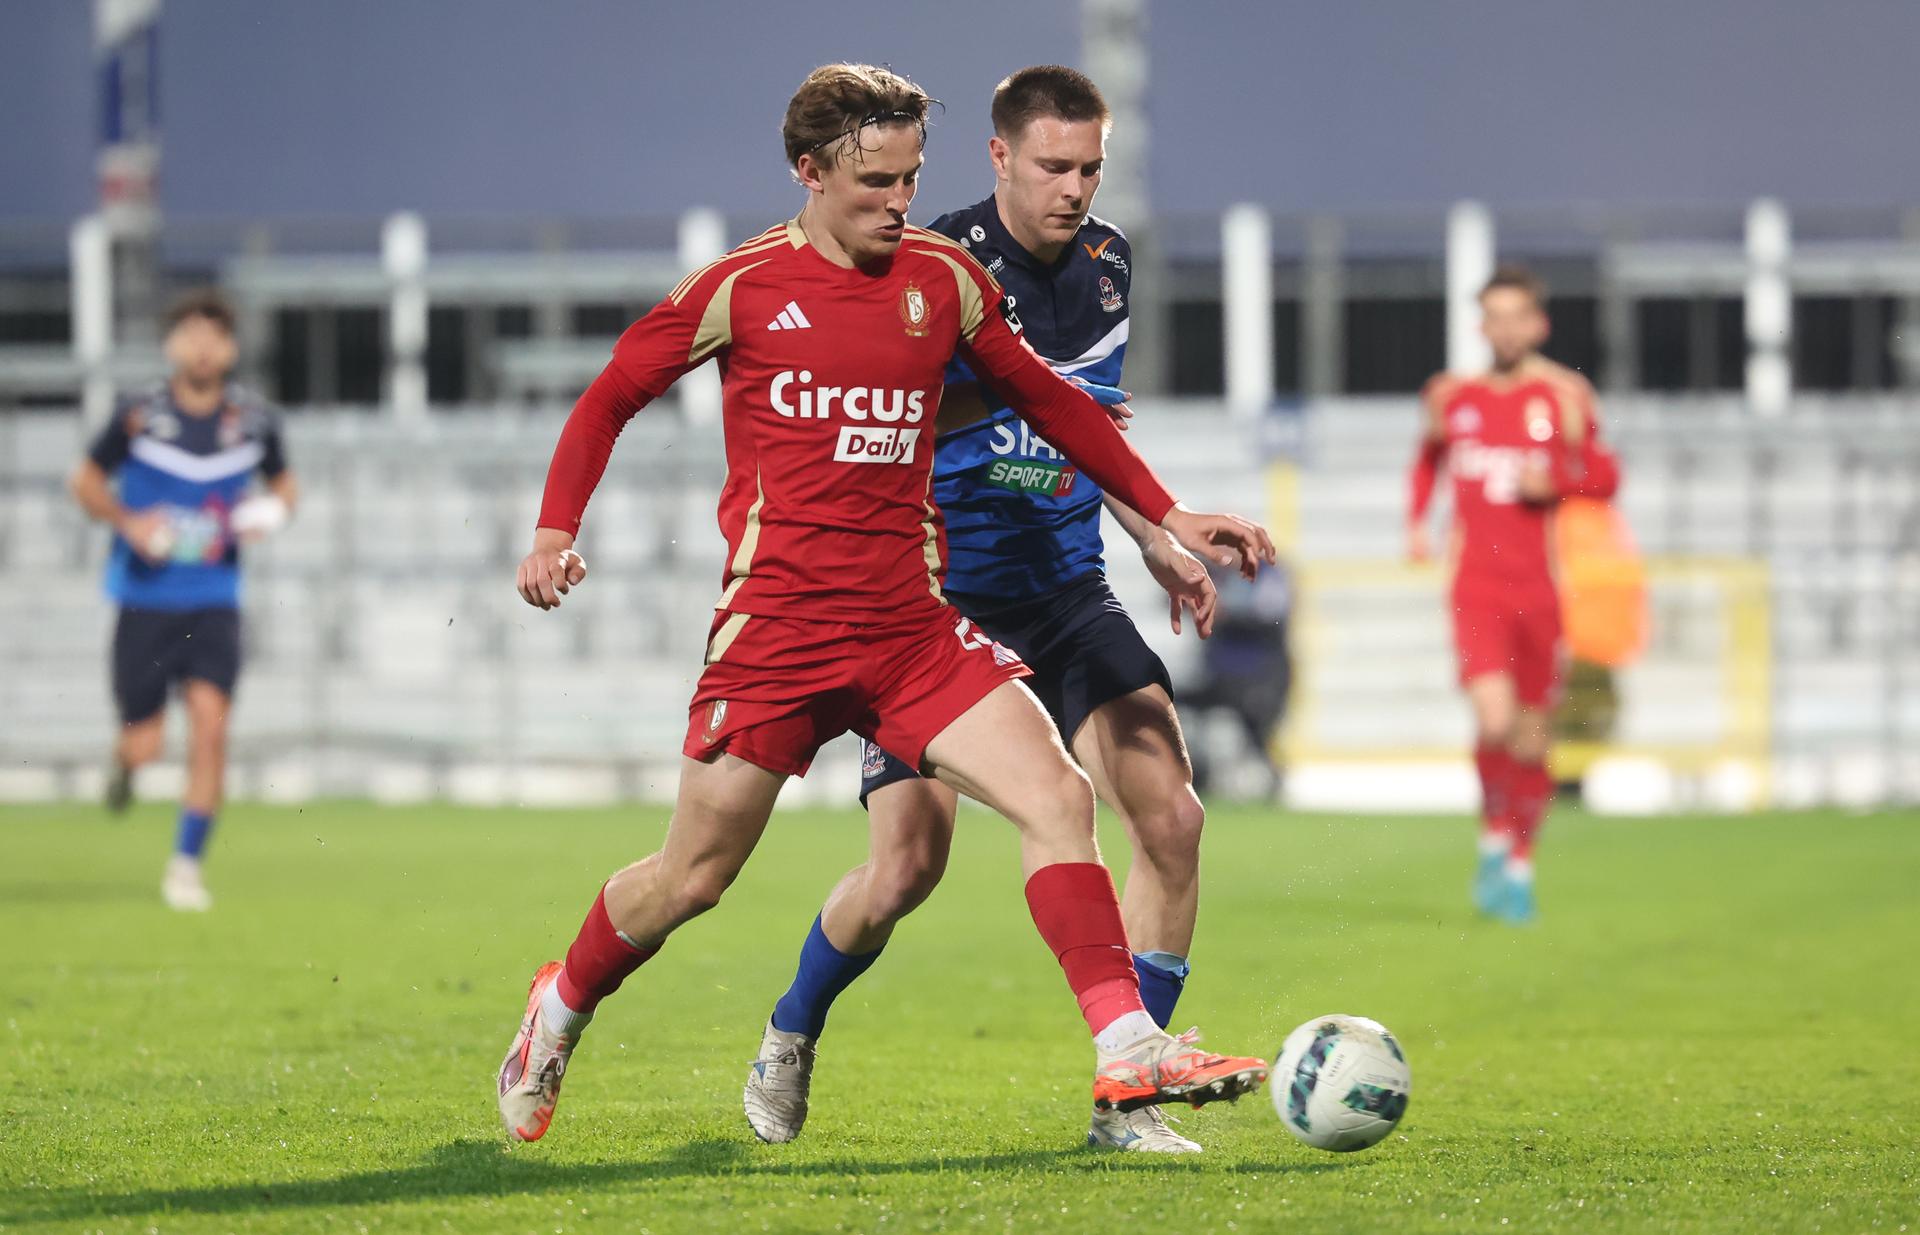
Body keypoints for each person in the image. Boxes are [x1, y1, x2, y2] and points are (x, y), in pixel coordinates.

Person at [495, 63, 1277, 1146]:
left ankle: (1127, 1050)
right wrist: (552, 525)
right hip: (777, 634)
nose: (898, 203)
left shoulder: (943, 278)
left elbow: (1050, 399)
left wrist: (1165, 511)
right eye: (874, 183)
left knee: (1058, 796)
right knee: (693, 878)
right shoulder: (744, 285)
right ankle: (563, 1001)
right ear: (810, 171)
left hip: (912, 628)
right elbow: (614, 390)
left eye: (910, 179)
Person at [742, 65, 1233, 1156]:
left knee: (1171, 815)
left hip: (1063, 584)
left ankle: (1130, 1093)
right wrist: (1015, 389)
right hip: (937, 599)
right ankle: (793, 1021)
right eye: (1054, 166)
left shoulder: (1109, 263)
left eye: (1091, 167)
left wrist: (1157, 536)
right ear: (1001, 158)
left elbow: (1087, 415)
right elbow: (886, 409)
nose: (1074, 188)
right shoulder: (930, 262)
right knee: (905, 869)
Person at [68, 289, 298, 911]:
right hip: (144, 601)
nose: (201, 346)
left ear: (230, 348)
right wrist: (129, 522)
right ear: (173, 345)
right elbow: (85, 481)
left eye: (213, 335)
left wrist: (268, 514)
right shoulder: (138, 414)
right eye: (190, 333)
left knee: (211, 727)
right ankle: (123, 766)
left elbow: (286, 487)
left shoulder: (253, 422)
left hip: (213, 600)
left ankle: (186, 866)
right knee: (144, 744)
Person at [1406, 265, 1620, 924]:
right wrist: (1419, 520)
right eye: (1491, 315)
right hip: (1477, 584)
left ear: (1536, 323)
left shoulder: (1564, 395)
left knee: (1531, 735)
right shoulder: (1451, 395)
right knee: (1493, 718)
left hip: (1540, 587)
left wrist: (1555, 481)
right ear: (1482, 324)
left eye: (1514, 315)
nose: (1502, 328)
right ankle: (1495, 833)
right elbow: (1429, 458)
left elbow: (1606, 476)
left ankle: (1519, 858)